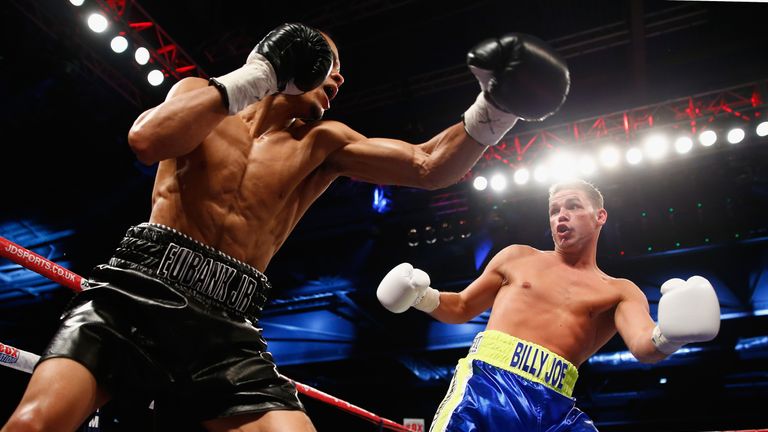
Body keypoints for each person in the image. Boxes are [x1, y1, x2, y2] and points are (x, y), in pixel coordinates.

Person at [2, 23, 570, 432]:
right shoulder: (200, 99)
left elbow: (428, 165)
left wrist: (494, 109)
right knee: (35, 424)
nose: (341, 79)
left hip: (227, 326)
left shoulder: (323, 144)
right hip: (136, 297)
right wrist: (257, 75)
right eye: (330, 65)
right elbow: (146, 141)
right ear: (289, 59)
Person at [377, 179, 721, 432]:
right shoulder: (517, 257)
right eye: (554, 210)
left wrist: (672, 336)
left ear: (600, 216)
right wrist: (421, 297)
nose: (560, 216)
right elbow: (463, 306)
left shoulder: (620, 291)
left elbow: (644, 346)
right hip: (490, 386)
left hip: (556, 406)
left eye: (572, 206)